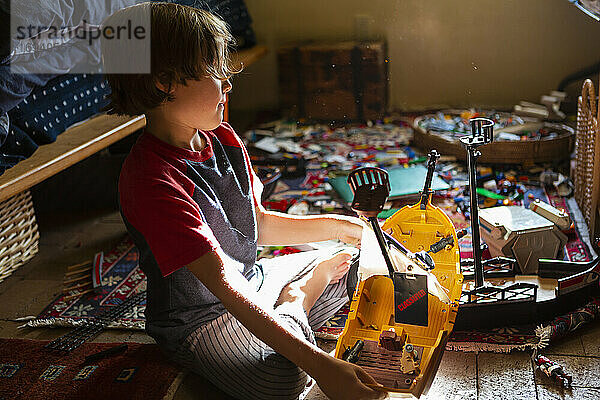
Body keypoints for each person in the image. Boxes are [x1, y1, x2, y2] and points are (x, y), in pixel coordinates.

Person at [102, 3, 386, 399]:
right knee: (282, 382)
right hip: (204, 320)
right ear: (166, 83)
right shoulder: (150, 180)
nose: (228, 84)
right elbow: (222, 283)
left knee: (368, 268)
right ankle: (297, 303)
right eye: (216, 73)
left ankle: (292, 309)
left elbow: (258, 224)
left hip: (255, 281)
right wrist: (323, 366)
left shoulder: (222, 138)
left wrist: (343, 227)